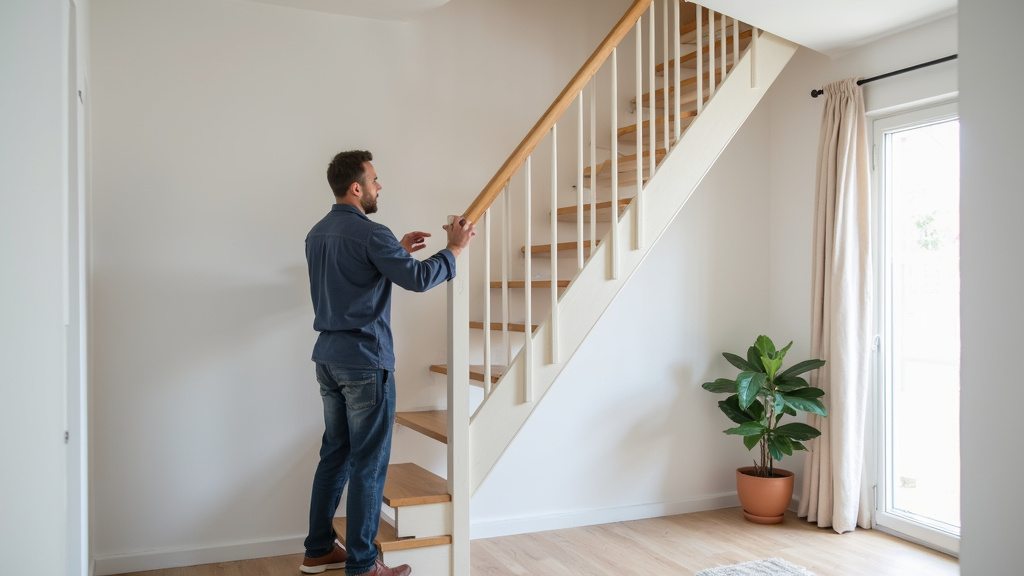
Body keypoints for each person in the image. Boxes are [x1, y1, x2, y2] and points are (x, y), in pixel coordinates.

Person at [301, 150, 475, 576]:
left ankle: (319, 549)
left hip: (328, 360)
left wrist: (394, 251)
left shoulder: (317, 234)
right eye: (375, 180)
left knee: (335, 456)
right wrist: (454, 248)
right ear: (356, 187)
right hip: (365, 362)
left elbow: (351, 279)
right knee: (368, 463)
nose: (380, 187)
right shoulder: (370, 233)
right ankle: (363, 565)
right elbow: (418, 279)